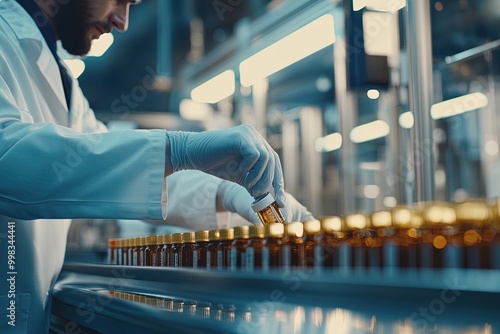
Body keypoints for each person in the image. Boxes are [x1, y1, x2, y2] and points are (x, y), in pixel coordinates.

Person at [0, 0, 313, 332]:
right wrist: (178, 149)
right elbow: (11, 160)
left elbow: (109, 165)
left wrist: (226, 191)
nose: (121, 21)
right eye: (119, 0)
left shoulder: (63, 79)